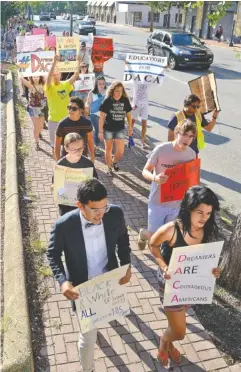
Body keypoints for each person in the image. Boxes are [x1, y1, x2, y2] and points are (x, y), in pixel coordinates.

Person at [47, 178, 132, 372]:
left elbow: (123, 240)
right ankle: (88, 369)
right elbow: (52, 254)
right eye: (95, 209)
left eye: (105, 207)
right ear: (79, 205)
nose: (101, 213)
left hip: (108, 282)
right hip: (82, 288)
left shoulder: (115, 214)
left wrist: (127, 265)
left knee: (104, 317)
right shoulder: (63, 225)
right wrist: (63, 281)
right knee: (88, 336)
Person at [149, 186, 221, 366]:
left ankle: (169, 341)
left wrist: (213, 270)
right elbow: (153, 244)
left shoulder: (207, 229)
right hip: (170, 284)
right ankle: (165, 340)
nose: (204, 218)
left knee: (177, 322)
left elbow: (203, 257)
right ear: (188, 209)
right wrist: (164, 266)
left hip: (191, 284)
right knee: (180, 332)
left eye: (208, 213)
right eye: (199, 212)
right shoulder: (172, 229)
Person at [138, 119, 197, 250]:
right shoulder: (161, 149)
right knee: (154, 235)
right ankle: (143, 234)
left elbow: (191, 179)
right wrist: (155, 178)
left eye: (191, 136)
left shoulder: (191, 154)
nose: (187, 138)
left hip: (176, 204)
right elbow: (145, 171)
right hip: (157, 202)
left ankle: (164, 263)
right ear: (177, 134)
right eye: (185, 134)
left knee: (169, 237)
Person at [53, 133, 98, 216]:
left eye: (80, 148)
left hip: (83, 206)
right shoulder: (61, 165)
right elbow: (56, 187)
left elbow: (95, 184)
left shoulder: (88, 164)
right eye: (74, 149)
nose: (78, 152)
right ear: (66, 148)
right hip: (66, 207)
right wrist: (55, 189)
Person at [45, 54, 81, 152]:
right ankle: (56, 163)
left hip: (66, 120)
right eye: (53, 75)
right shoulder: (49, 87)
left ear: (60, 75)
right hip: (53, 120)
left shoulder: (65, 84)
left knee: (68, 144)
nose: (55, 77)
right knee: (55, 146)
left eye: (57, 74)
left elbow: (76, 75)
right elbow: (48, 79)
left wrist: (77, 61)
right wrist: (54, 63)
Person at [99, 81, 132, 175]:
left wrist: (130, 127)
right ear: (113, 91)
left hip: (120, 129)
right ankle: (109, 168)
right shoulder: (107, 101)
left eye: (121, 91)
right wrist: (100, 131)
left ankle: (114, 161)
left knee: (120, 151)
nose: (119, 94)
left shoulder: (125, 100)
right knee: (108, 149)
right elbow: (101, 116)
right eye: (117, 91)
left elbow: (129, 115)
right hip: (108, 129)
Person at [54, 96, 95, 163]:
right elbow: (57, 145)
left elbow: (90, 141)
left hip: (82, 158)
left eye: (74, 108)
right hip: (66, 160)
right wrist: (58, 162)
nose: (70, 110)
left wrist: (92, 157)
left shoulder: (87, 123)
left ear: (81, 110)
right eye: (69, 108)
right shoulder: (62, 124)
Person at [20, 75, 45, 150]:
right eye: (34, 77)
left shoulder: (43, 85)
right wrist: (19, 69)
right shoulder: (30, 85)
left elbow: (48, 76)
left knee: (41, 126)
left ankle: (39, 132)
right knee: (36, 126)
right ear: (31, 77)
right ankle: (36, 142)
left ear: (40, 77)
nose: (35, 78)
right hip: (33, 109)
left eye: (37, 76)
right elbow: (22, 78)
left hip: (42, 108)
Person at [85, 75, 106, 156]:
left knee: (102, 130)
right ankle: (96, 147)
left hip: (104, 115)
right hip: (94, 114)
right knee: (97, 130)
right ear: (96, 84)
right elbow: (88, 102)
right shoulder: (92, 92)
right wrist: (87, 106)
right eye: (100, 83)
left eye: (103, 83)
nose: (101, 85)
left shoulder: (107, 92)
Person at [131, 83, 149, 149]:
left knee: (144, 124)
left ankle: (143, 142)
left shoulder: (148, 81)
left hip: (145, 105)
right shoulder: (136, 80)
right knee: (132, 122)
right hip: (135, 104)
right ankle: (130, 136)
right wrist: (133, 104)